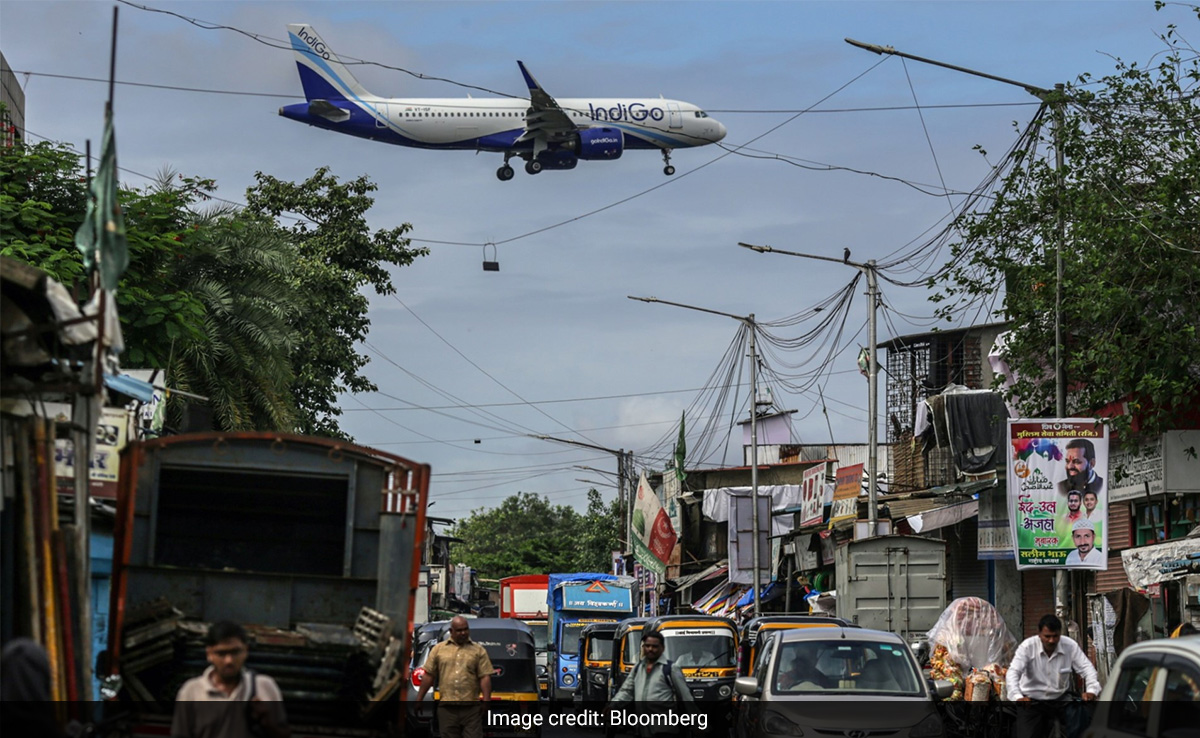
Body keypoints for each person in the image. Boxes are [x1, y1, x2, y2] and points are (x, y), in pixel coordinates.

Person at [172, 620, 290, 738]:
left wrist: (266, 720)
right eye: (221, 653)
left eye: (235, 652)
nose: (229, 660)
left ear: (246, 651)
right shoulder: (191, 692)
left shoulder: (264, 686)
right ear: (209, 654)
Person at [1007, 614, 1101, 738]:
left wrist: (1091, 690)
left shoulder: (1069, 646)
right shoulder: (1027, 647)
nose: (1051, 640)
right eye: (1047, 636)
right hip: (1032, 703)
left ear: (1059, 634)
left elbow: (1087, 669)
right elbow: (1013, 672)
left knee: (1081, 727)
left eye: (1055, 636)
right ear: (1039, 634)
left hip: (1060, 701)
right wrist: (1018, 697)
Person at [925, 597, 1018, 700]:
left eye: (978, 617)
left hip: (986, 681)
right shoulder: (949, 637)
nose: (975, 621)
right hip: (959, 684)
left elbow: (1005, 657)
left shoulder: (994, 634)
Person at [416, 616, 493, 738]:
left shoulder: (478, 651)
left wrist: (487, 701)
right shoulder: (438, 650)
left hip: (471, 710)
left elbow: (484, 677)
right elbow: (429, 675)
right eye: (459, 630)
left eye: (465, 629)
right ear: (451, 632)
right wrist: (419, 699)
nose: (463, 633)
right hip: (447, 710)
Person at [610, 630, 694, 736]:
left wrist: (697, 723)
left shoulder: (671, 668)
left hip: (665, 730)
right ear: (643, 647)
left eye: (655, 646)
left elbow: (686, 698)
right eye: (647, 646)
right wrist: (612, 706)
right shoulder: (638, 668)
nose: (650, 649)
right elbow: (627, 691)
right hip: (642, 729)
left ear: (662, 648)